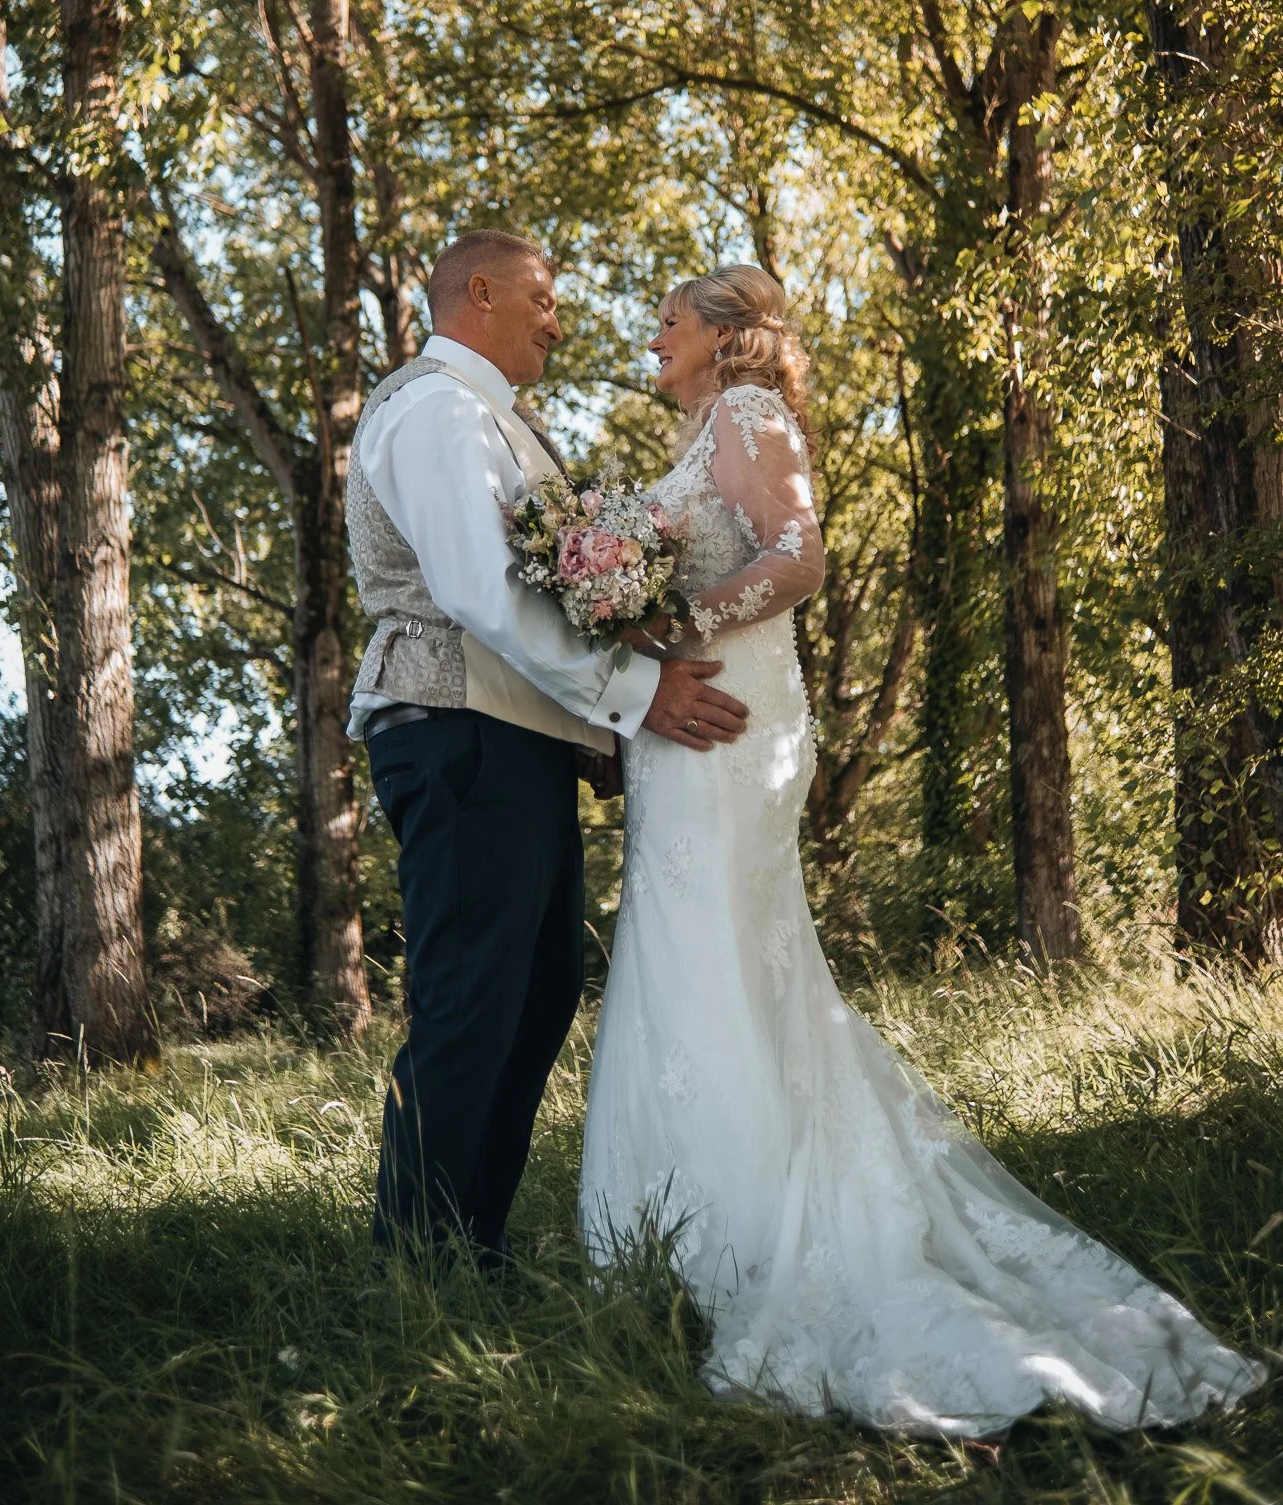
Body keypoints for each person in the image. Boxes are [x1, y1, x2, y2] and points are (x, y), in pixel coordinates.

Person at [580, 261, 1265, 1437]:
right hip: (679, 719)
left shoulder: (749, 416)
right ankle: (678, 1225)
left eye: (672, 316)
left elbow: (799, 557)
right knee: (683, 948)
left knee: (727, 950)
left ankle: (755, 1226)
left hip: (733, 718)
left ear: (727, 335)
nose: (654, 331)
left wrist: (679, 622)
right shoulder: (699, 430)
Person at [347, 229, 748, 1256]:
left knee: (536, 990)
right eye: (542, 296)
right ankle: (420, 1261)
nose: (557, 320)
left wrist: (584, 726)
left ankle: (467, 1242)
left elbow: (533, 594)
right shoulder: (438, 409)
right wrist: (633, 693)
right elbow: (482, 591)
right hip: (455, 728)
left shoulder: (495, 418)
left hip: (511, 736)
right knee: (473, 995)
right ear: (478, 292)